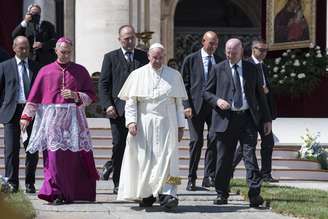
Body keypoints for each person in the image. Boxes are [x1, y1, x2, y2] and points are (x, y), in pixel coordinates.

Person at [20, 37, 99, 204]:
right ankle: (55, 193)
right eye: (63, 52)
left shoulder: (80, 70)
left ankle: (71, 193)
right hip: (52, 123)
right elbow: (34, 97)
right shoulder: (45, 71)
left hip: (74, 124)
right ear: (56, 51)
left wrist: (76, 95)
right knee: (53, 159)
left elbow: (91, 96)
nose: (66, 55)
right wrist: (26, 116)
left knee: (72, 160)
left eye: (69, 52)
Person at [117, 43, 187, 209]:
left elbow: (179, 104)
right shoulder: (137, 75)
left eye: (161, 57)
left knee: (170, 160)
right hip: (144, 123)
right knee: (144, 160)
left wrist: (181, 125)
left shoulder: (174, 75)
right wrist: (131, 121)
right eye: (154, 57)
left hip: (168, 123)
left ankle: (170, 193)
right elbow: (131, 102)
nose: (157, 60)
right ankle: (146, 194)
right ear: (148, 56)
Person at [204, 38, 272, 207]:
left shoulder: (252, 69)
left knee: (250, 156)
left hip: (247, 119)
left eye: (233, 52)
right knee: (224, 159)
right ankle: (222, 193)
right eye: (227, 51)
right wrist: (217, 100)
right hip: (226, 119)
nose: (230, 55)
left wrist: (267, 119)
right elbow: (206, 92)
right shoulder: (218, 68)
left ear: (241, 51)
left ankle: (254, 194)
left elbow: (260, 96)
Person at [98, 25, 148, 194]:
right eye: (126, 38)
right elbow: (103, 84)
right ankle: (118, 182)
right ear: (119, 39)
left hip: (140, 111)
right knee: (119, 145)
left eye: (132, 37)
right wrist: (108, 105)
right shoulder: (110, 57)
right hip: (117, 111)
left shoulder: (143, 57)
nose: (130, 41)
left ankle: (137, 182)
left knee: (139, 147)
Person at [232, 39, 278, 182]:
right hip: (251, 112)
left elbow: (265, 89)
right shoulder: (247, 66)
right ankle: (230, 167)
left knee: (268, 142)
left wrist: (269, 115)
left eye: (266, 50)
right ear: (253, 49)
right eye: (261, 50)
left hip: (263, 111)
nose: (264, 53)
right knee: (247, 144)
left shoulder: (263, 67)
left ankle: (265, 174)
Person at [181, 31, 220, 190]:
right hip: (195, 108)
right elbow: (184, 85)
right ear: (203, 41)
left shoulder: (220, 61)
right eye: (211, 43)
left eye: (216, 44)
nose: (213, 47)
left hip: (214, 109)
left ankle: (208, 176)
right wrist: (186, 105)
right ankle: (191, 178)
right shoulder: (190, 60)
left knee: (213, 140)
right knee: (196, 141)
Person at [0, 36, 39, 193]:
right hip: (11, 113)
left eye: (27, 48)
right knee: (11, 150)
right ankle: (12, 183)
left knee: (31, 149)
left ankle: (30, 183)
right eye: (21, 48)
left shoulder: (36, 67)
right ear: (14, 48)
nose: (24, 51)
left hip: (30, 112)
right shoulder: (4, 66)